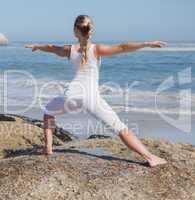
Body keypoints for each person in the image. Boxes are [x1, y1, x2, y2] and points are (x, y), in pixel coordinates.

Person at [25, 15, 167, 167]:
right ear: (91, 31)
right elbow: (123, 47)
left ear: (75, 31)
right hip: (92, 98)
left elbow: (52, 48)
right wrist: (146, 44)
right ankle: (150, 157)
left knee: (48, 112)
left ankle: (48, 149)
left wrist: (37, 46)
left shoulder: (69, 50)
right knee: (120, 128)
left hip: (71, 95)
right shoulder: (97, 49)